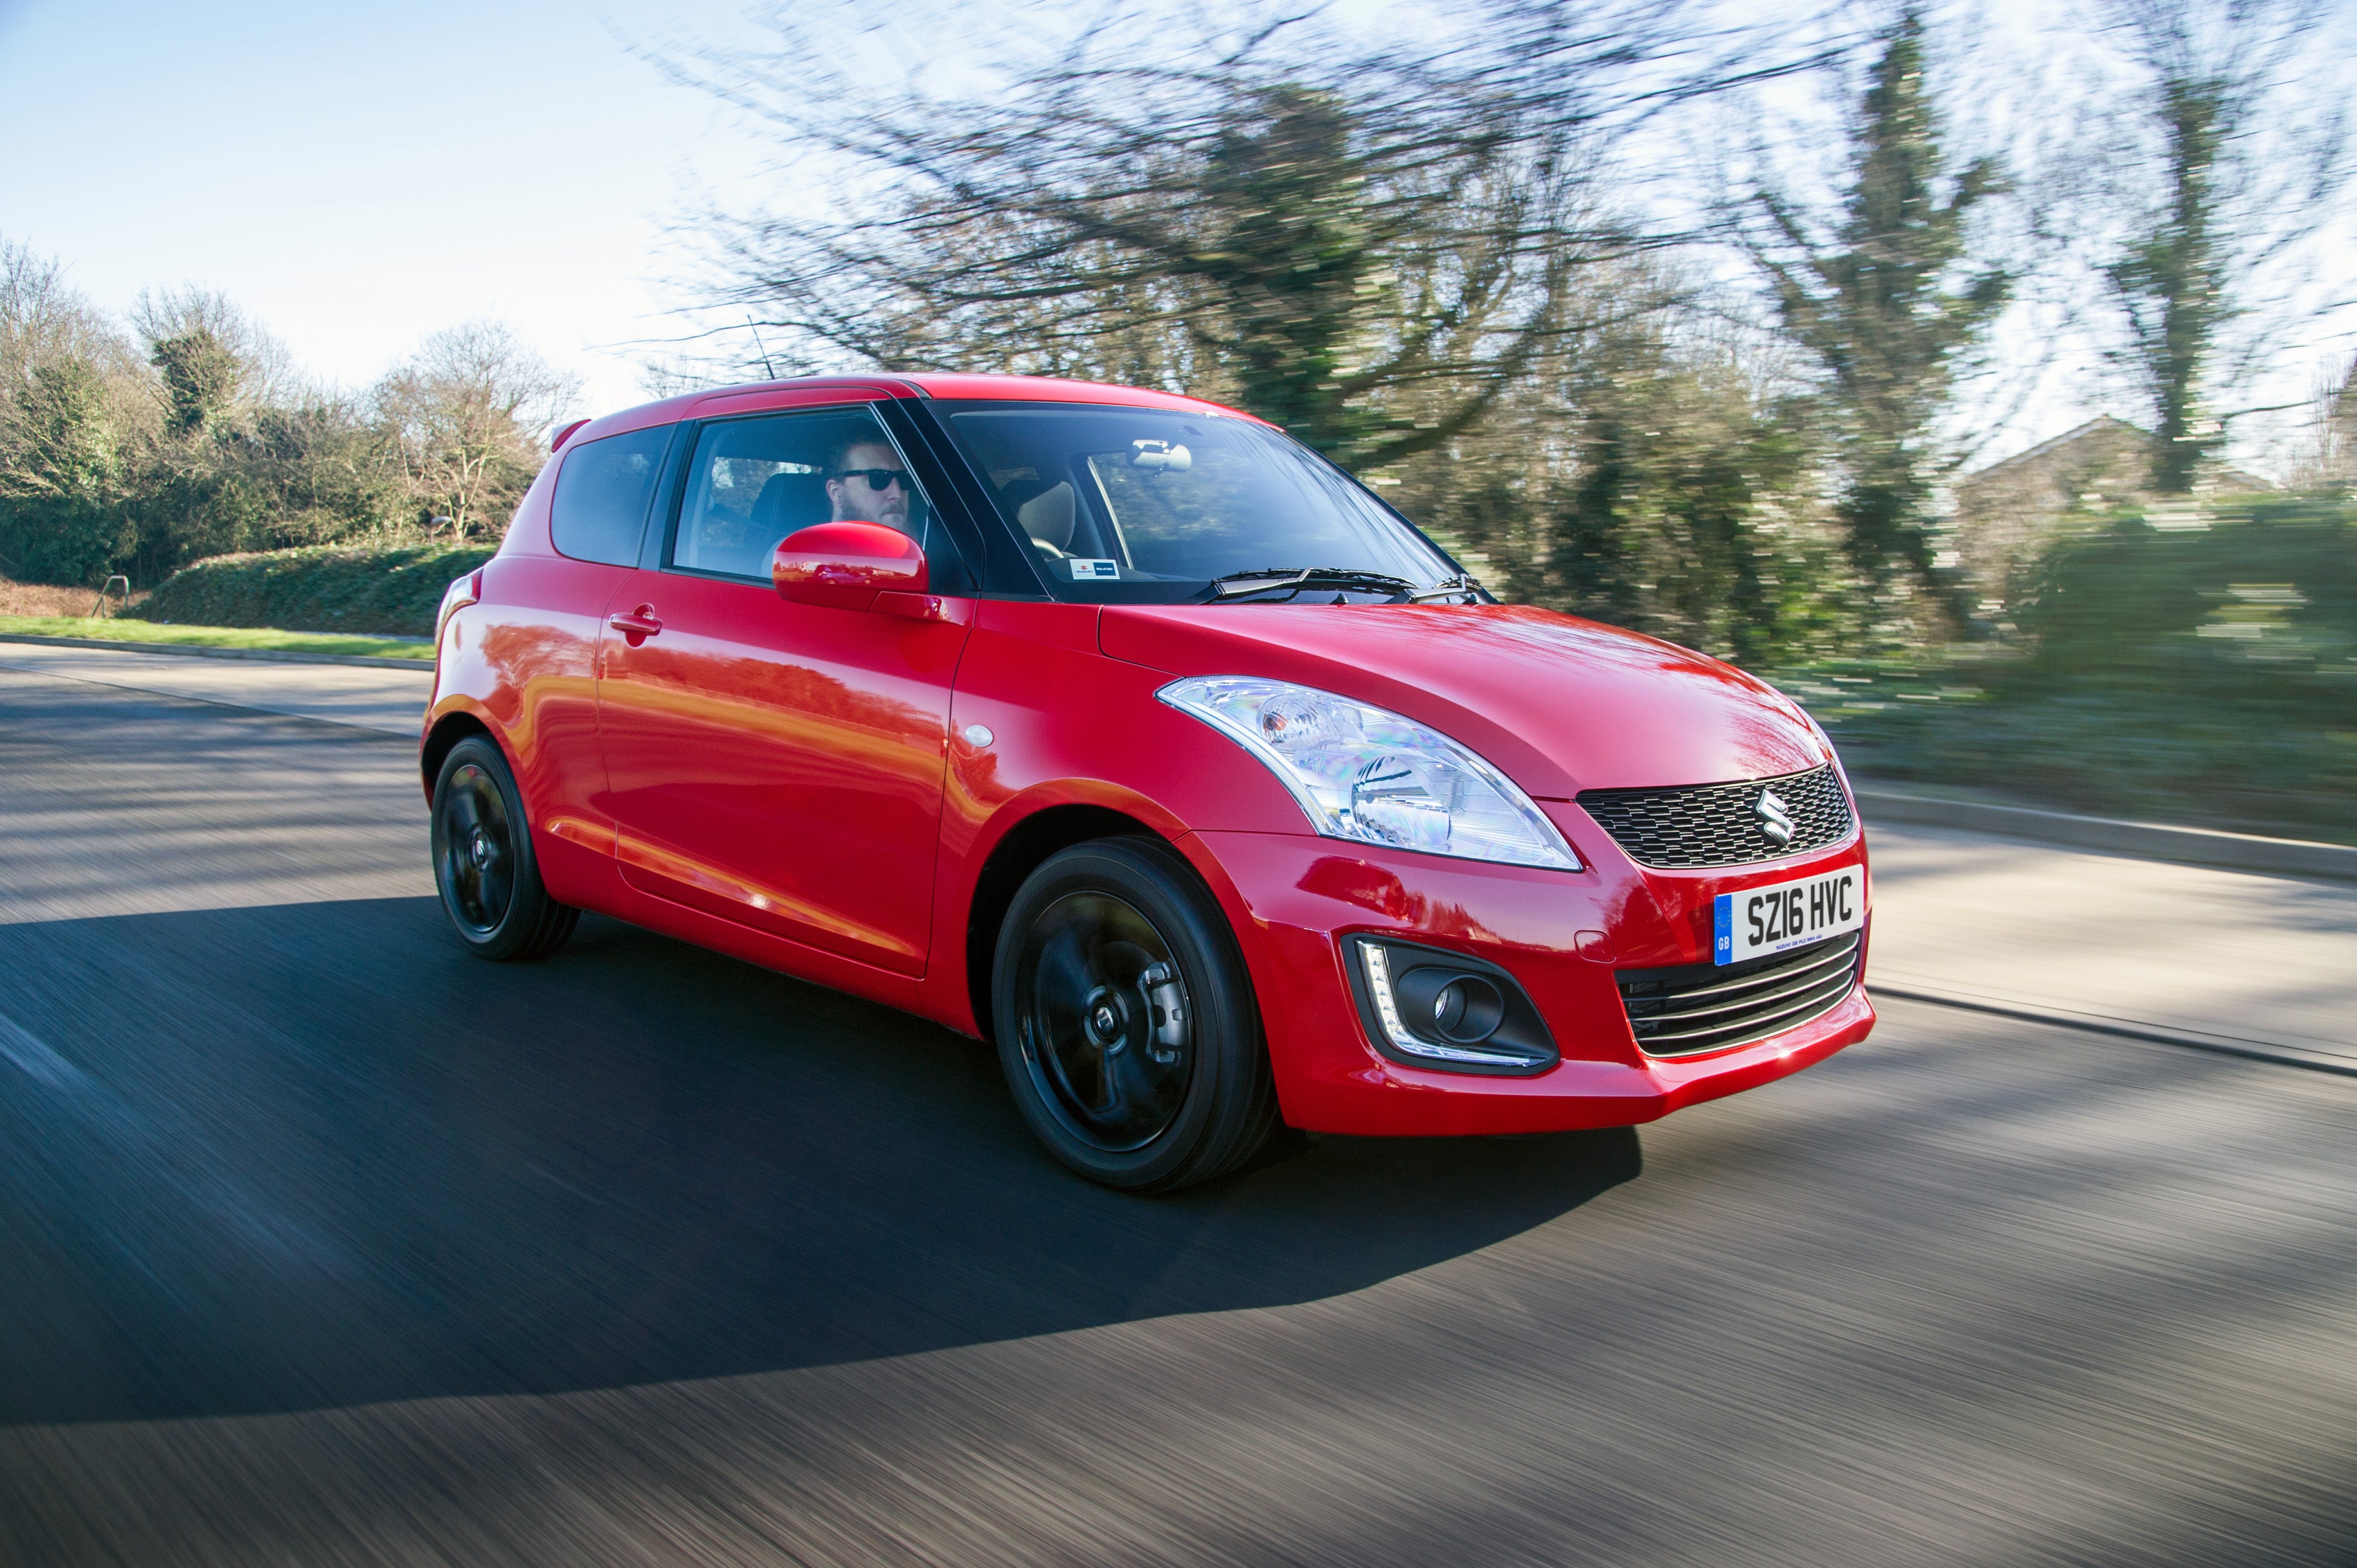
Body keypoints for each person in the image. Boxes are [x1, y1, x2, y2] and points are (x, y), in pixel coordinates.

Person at [824, 436, 915, 535]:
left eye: (904, 478)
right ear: (836, 492)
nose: (897, 494)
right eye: (878, 478)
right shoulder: (812, 549)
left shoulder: (925, 546)